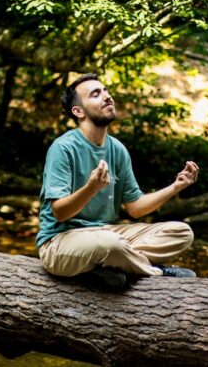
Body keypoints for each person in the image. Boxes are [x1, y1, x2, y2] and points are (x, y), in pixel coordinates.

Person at [36, 73, 199, 288]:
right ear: (78, 111)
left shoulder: (117, 149)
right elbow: (60, 212)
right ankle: (157, 271)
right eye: (96, 94)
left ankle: (104, 268)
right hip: (59, 242)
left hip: (105, 234)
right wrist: (91, 188)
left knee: (181, 233)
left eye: (106, 91)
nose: (107, 96)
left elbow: (135, 208)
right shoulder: (63, 148)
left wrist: (175, 187)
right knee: (111, 244)